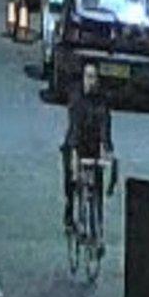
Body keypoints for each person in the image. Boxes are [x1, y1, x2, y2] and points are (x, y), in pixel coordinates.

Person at [61, 63, 118, 233]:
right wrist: (73, 155)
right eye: (88, 76)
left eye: (94, 77)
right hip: (75, 143)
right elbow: (74, 127)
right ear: (83, 78)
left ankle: (97, 226)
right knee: (71, 178)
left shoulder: (102, 101)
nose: (91, 81)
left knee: (96, 182)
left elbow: (105, 127)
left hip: (93, 145)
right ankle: (70, 208)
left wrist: (108, 150)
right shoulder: (76, 98)